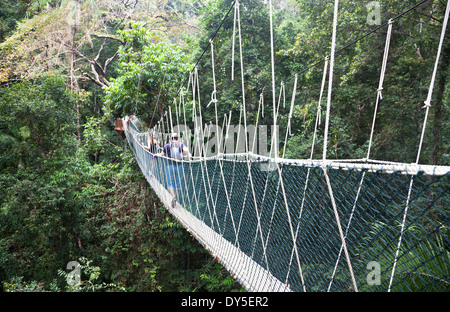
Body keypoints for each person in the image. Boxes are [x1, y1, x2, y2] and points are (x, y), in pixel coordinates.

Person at [154, 133, 190, 208]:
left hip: (170, 167)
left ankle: (173, 197)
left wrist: (156, 154)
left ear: (171, 139)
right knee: (177, 184)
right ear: (177, 138)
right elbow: (186, 150)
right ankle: (174, 198)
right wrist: (189, 155)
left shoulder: (167, 145)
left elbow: (162, 154)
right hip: (179, 167)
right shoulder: (181, 144)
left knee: (170, 184)